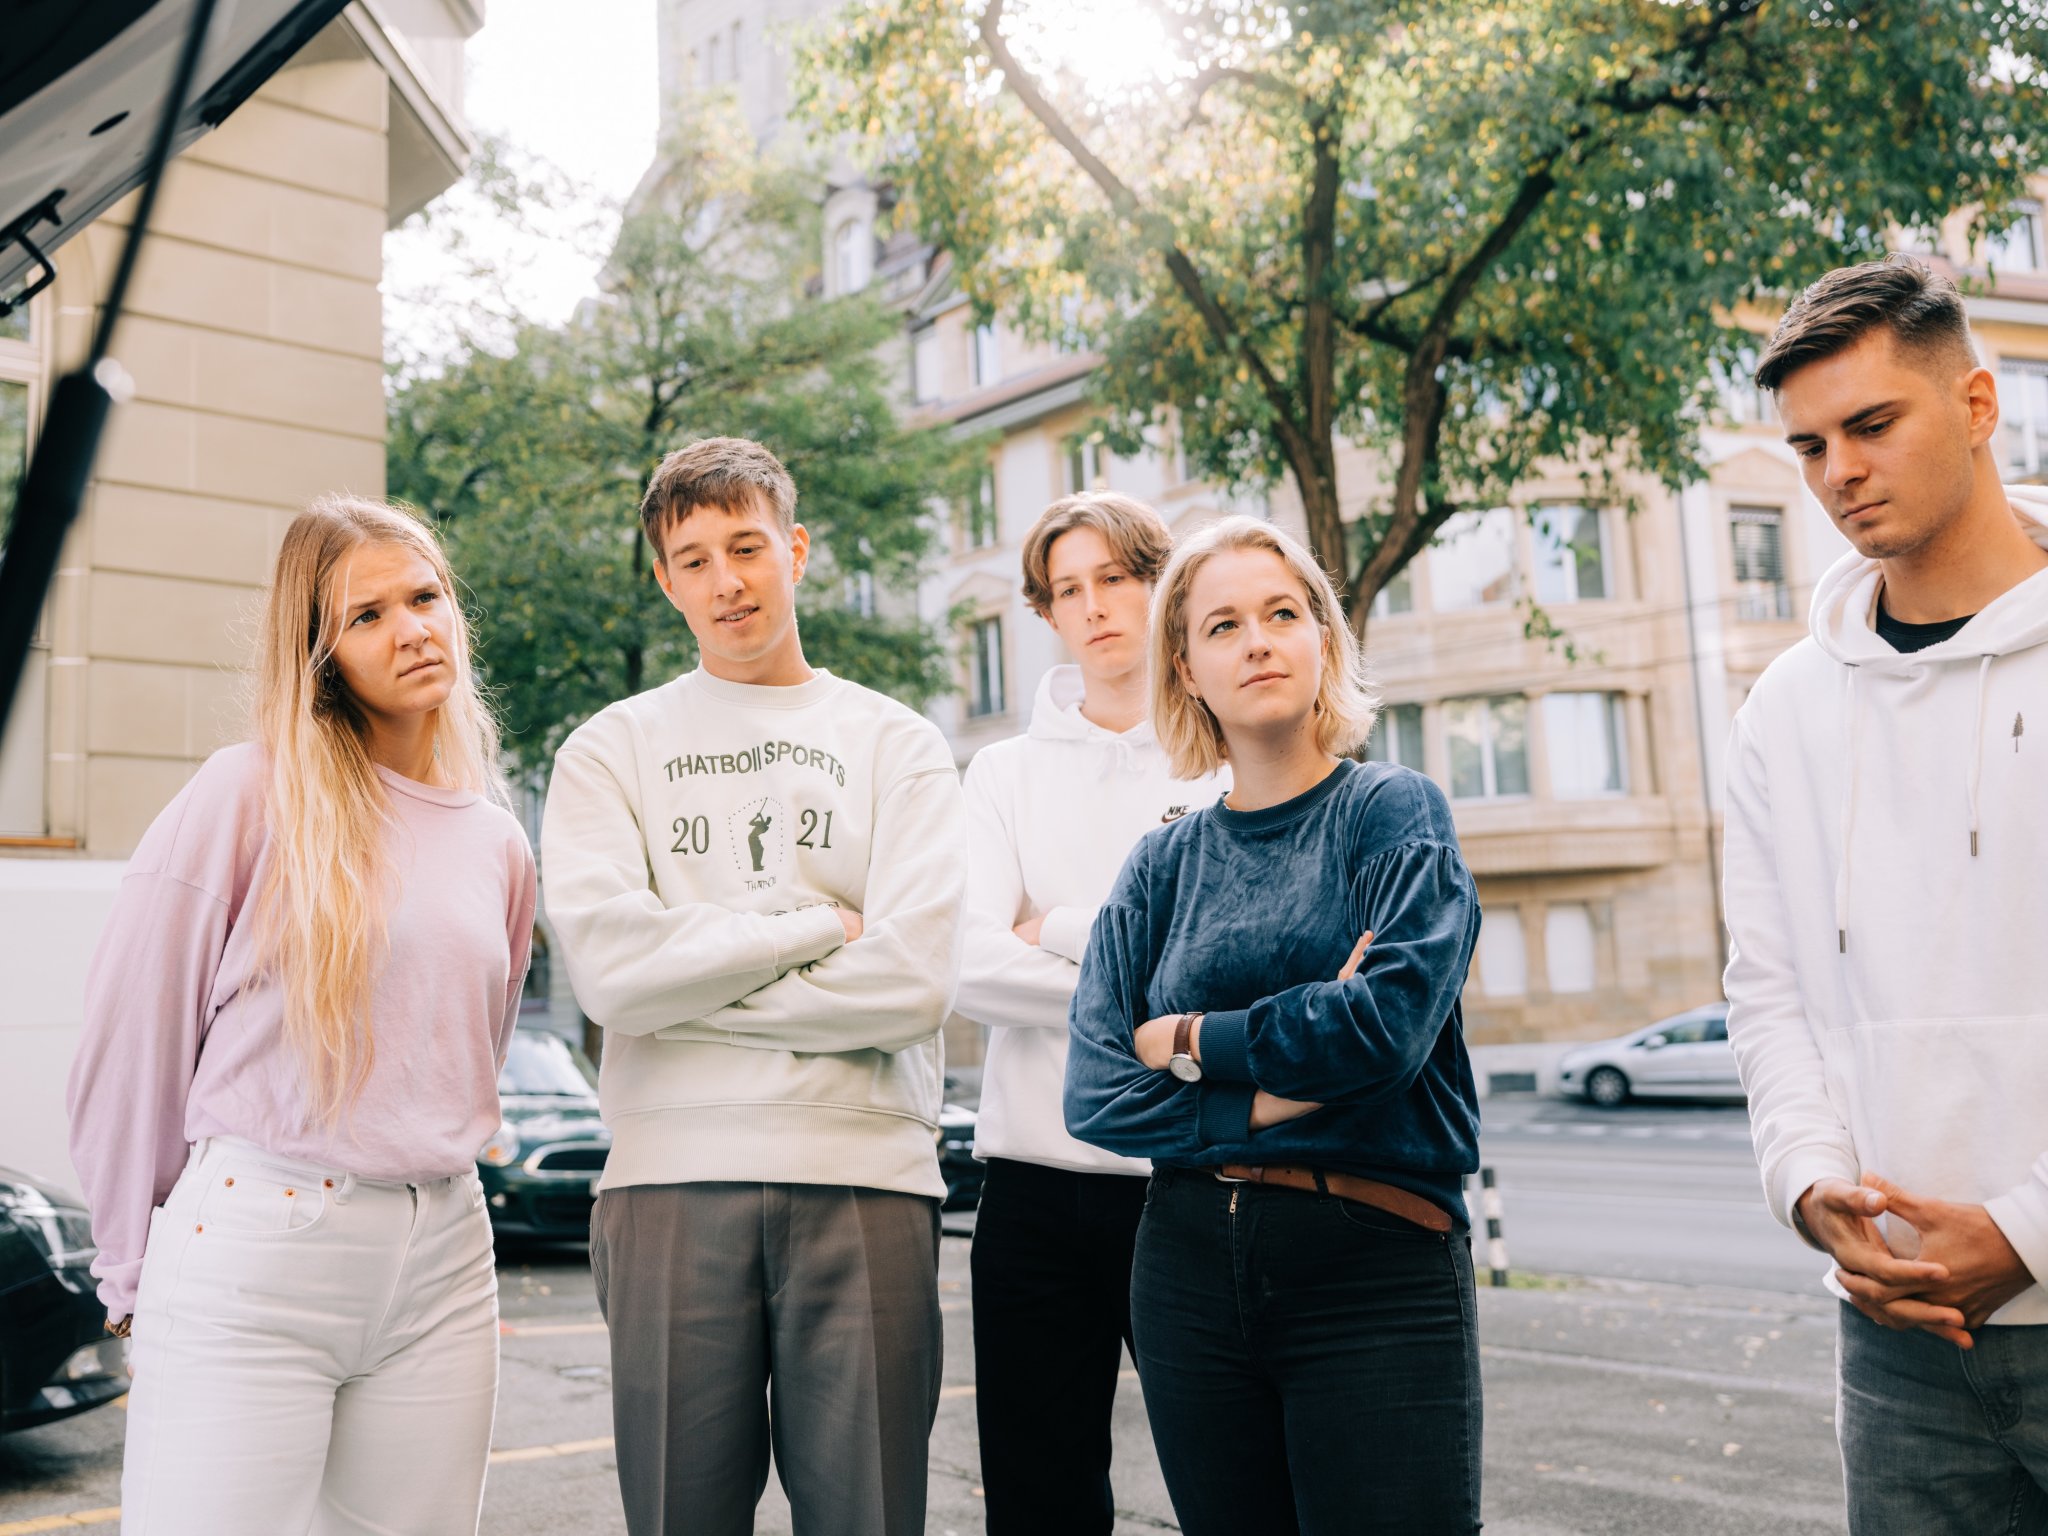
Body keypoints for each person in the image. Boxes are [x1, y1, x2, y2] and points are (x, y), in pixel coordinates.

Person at [67, 495, 536, 1536]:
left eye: (425, 597)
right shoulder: (247, 796)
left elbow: (470, 1058)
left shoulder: (497, 843)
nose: (412, 628)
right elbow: (129, 1039)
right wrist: (128, 1260)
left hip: (446, 1257)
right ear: (321, 654)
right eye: (367, 616)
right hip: (256, 1246)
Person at [540, 436, 966, 1536]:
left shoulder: (896, 744)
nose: (724, 579)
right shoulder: (608, 748)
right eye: (692, 558)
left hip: (865, 1173)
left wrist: (687, 983)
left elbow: (912, 984)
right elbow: (611, 978)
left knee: (870, 1517)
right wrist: (816, 925)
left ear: (797, 549)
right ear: (663, 578)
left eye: (746, 546)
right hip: (668, 1181)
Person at [1065, 515, 1485, 1535]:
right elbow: (1095, 1092)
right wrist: (1280, 1089)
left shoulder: (1391, 813)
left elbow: (1381, 1033)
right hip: (1186, 1267)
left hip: (1372, 1255)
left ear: (1321, 641)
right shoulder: (1159, 868)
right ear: (1187, 668)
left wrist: (1190, 1040)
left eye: (1280, 613)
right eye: (1222, 625)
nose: (1256, 640)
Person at [1724, 255, 2048, 1533]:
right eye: (1807, 445)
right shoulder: (1788, 707)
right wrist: (1810, 1193)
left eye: (1869, 425)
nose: (1836, 473)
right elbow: (1768, 995)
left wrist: (2024, 1230)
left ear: (1975, 406)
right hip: (1897, 1341)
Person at [956, 491, 1225, 1535]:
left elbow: (1230, 978)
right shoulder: (1002, 773)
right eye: (1068, 589)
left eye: (1116, 577)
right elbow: (968, 972)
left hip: (1187, 1184)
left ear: (1160, 586)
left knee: (1226, 1480)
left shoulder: (1218, 762)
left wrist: (1052, 927)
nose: (1095, 605)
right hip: (1029, 1189)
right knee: (1039, 1499)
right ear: (1046, 612)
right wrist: (1145, 978)